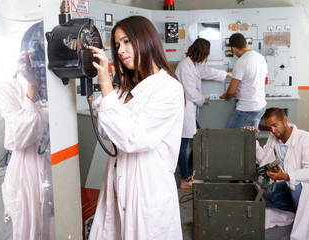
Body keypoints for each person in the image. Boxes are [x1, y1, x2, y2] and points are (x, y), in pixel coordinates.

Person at [88, 16, 184, 239]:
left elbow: (133, 138)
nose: (121, 50)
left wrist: (104, 85)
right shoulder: (124, 89)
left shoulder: (168, 88)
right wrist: (108, 90)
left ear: (146, 39)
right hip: (117, 183)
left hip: (147, 188)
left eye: (127, 41)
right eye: (118, 45)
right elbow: (105, 131)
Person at [0, 21, 55, 239]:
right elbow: (17, 139)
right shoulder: (8, 89)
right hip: (24, 177)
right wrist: (32, 86)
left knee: (54, 230)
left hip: (53, 171)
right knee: (28, 233)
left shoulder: (58, 88)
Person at [247, 108, 309, 240]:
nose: (273, 131)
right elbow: (264, 159)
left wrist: (285, 176)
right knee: (264, 192)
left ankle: (302, 226)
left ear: (285, 120)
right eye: (270, 127)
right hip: (287, 184)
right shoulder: (273, 138)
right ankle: (297, 216)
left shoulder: (307, 139)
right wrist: (253, 141)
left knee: (297, 186)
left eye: (275, 125)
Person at [175, 38, 228, 188]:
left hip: (190, 111)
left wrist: (227, 74)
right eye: (206, 55)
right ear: (202, 53)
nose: (206, 58)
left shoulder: (193, 64)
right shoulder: (185, 67)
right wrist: (202, 100)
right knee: (183, 144)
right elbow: (190, 92)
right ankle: (185, 178)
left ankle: (189, 173)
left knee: (199, 140)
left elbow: (207, 71)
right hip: (185, 110)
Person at [220, 33, 267, 129]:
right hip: (261, 106)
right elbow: (253, 82)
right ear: (246, 43)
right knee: (249, 139)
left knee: (229, 138)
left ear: (233, 49)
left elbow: (231, 91)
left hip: (247, 109)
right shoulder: (261, 58)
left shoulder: (241, 62)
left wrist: (227, 95)